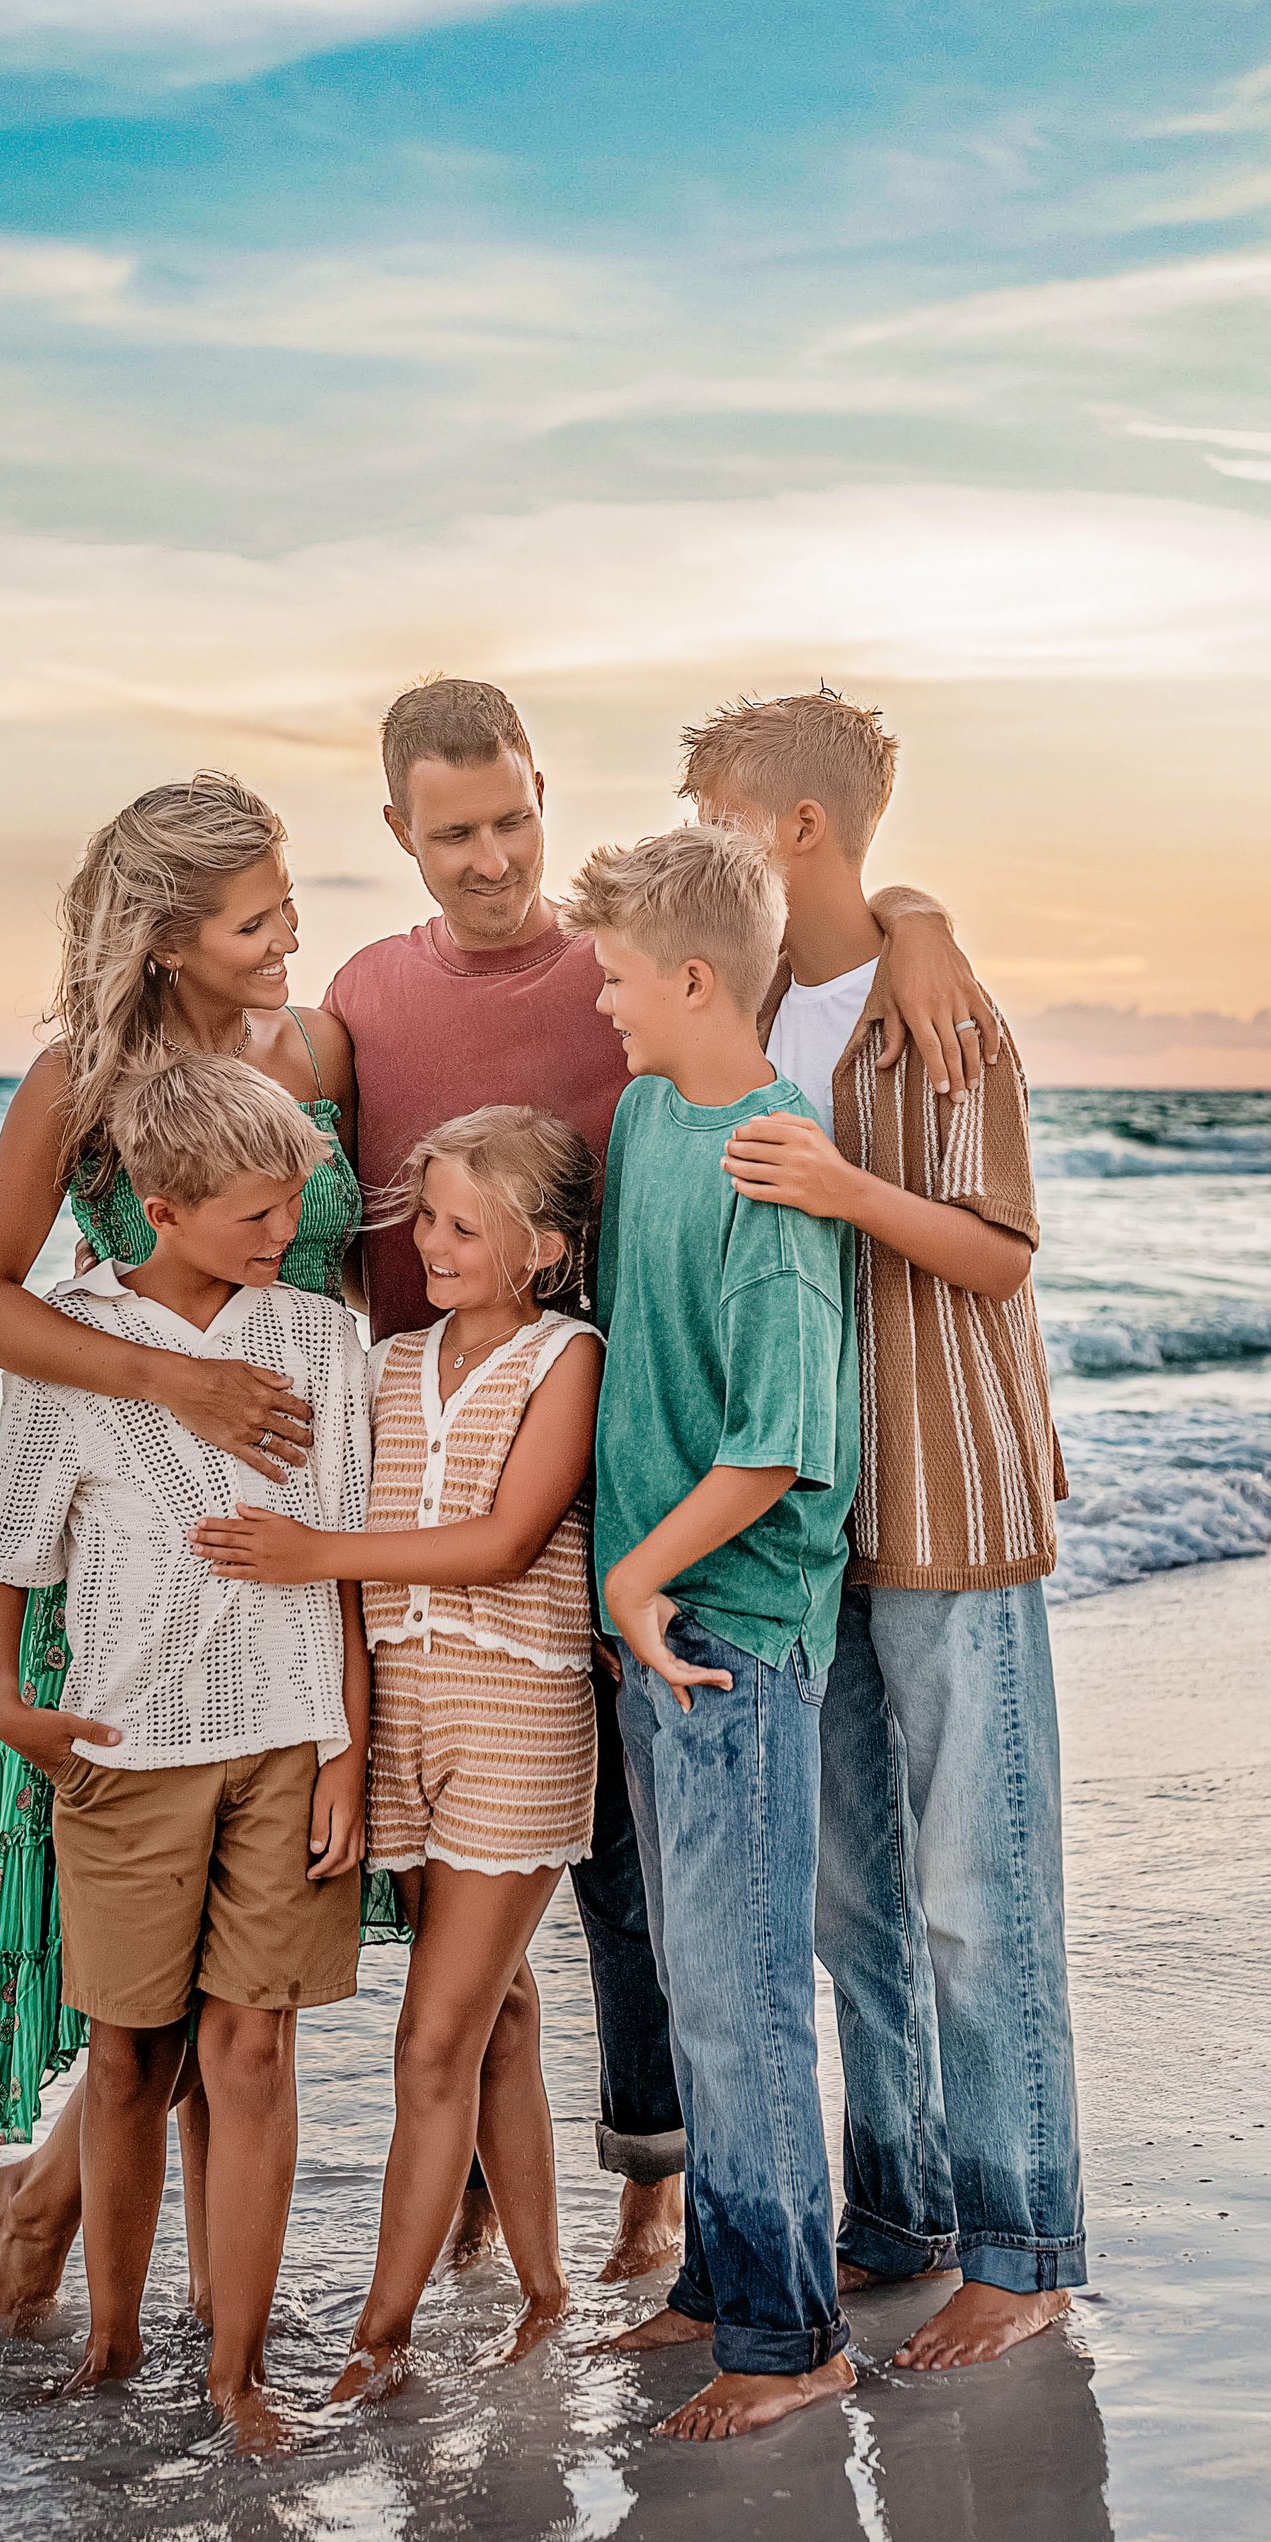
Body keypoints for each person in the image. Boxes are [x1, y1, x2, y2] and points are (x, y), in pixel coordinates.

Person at [325, 675, 991, 2284]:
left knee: (677, 1901)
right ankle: (575, 2221)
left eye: (511, 817)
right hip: (498, 1454)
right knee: (537, 1873)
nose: (491, 857)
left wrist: (918, 914)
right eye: (453, 832)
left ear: (542, 790)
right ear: (401, 834)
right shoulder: (401, 1007)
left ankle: (712, 2235)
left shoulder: (665, 1036)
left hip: (659, 1508)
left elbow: (784, 923)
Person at [0, 772, 368, 2342]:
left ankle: (212, 2326)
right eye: (256, 915)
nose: (291, 934)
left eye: (288, 901)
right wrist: (178, 1380)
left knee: (248, 2003)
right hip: (143, 1552)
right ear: (165, 936)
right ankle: (52, 2228)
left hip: (300, 1551)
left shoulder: (318, 1051)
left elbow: (350, 1269)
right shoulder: (78, 1080)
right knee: (137, 1993)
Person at [683, 687, 1084, 2367]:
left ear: (798, 828)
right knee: (854, 1903)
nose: (698, 837)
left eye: (712, 813)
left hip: (953, 1496)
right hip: (814, 1512)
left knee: (980, 1891)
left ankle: (1024, 2235)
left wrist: (847, 1183)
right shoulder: (758, 1000)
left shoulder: (945, 1005)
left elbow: (1000, 1249)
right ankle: (900, 2208)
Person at [0, 1046, 372, 2453]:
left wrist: (347, 1750)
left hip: (286, 1737)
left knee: (252, 2051)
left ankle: (239, 2376)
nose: (284, 1236)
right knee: (130, 2056)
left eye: (291, 1207)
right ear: (156, 1197)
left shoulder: (317, 1338)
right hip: (128, 1749)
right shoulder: (71, 1340)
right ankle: (117, 2342)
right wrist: (9, 1696)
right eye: (258, 1212)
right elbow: (13, 1537)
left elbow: (344, 1570)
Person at [195, 1107, 603, 2399]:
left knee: (432, 2041)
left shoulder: (570, 1360)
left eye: (463, 1225)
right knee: (501, 2013)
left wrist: (319, 1556)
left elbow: (501, 1542)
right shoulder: (388, 1362)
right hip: (405, 1723)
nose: (430, 1241)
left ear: (540, 1247)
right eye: (424, 1215)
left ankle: (380, 2338)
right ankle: (545, 2288)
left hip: (516, 1717)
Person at [568, 823, 861, 2443]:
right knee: (690, 1976)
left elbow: (777, 1435)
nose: (599, 1005)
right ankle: (718, 2282)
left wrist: (631, 1579)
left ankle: (792, 2335)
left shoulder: (770, 1153)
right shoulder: (639, 1115)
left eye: (616, 978)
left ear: (692, 978)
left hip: (728, 1624)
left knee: (746, 1987)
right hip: (654, 1624)